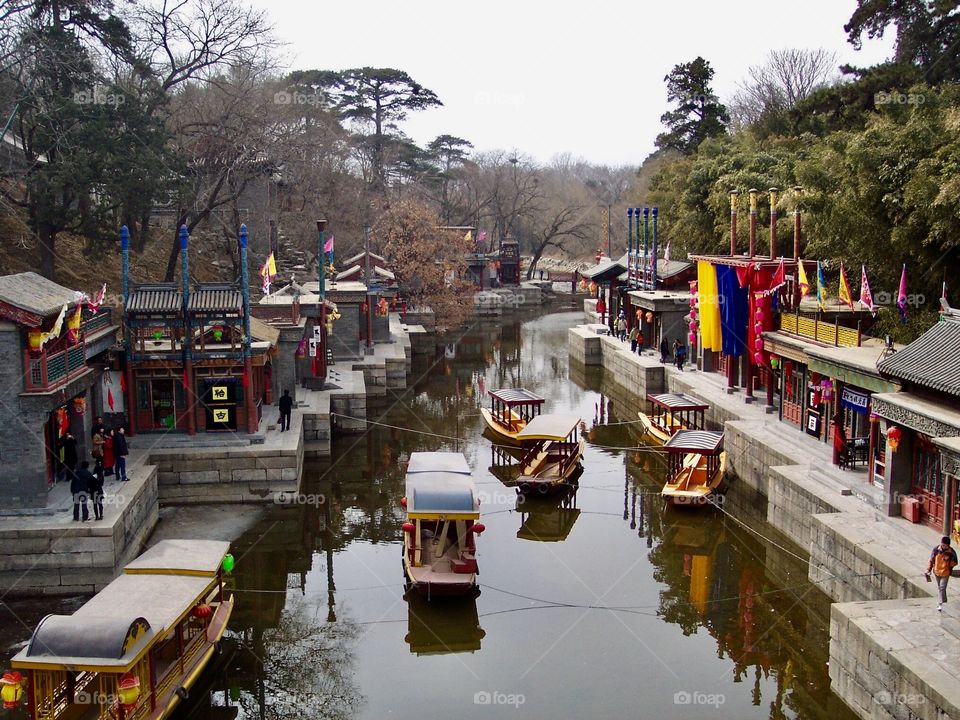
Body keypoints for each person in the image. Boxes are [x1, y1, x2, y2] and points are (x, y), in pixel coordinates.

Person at [926, 536, 958, 611]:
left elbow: (955, 562)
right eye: (942, 544)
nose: (943, 546)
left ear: (948, 545)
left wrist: (948, 560)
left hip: (945, 573)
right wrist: (928, 570)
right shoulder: (936, 550)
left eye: (945, 545)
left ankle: (940, 603)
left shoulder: (951, 552)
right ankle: (944, 601)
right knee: (940, 588)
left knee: (942, 587)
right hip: (937, 571)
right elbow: (931, 560)